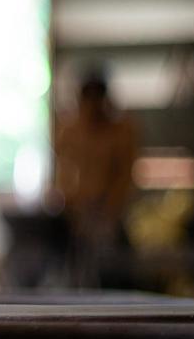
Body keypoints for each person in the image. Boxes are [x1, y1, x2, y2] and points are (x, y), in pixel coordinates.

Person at [53, 66, 139, 284]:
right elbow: (63, 174)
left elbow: (125, 176)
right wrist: (73, 207)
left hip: (108, 215)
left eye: (96, 97)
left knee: (115, 271)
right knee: (73, 272)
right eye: (87, 98)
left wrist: (109, 210)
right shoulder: (69, 132)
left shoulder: (120, 132)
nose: (92, 105)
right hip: (77, 216)